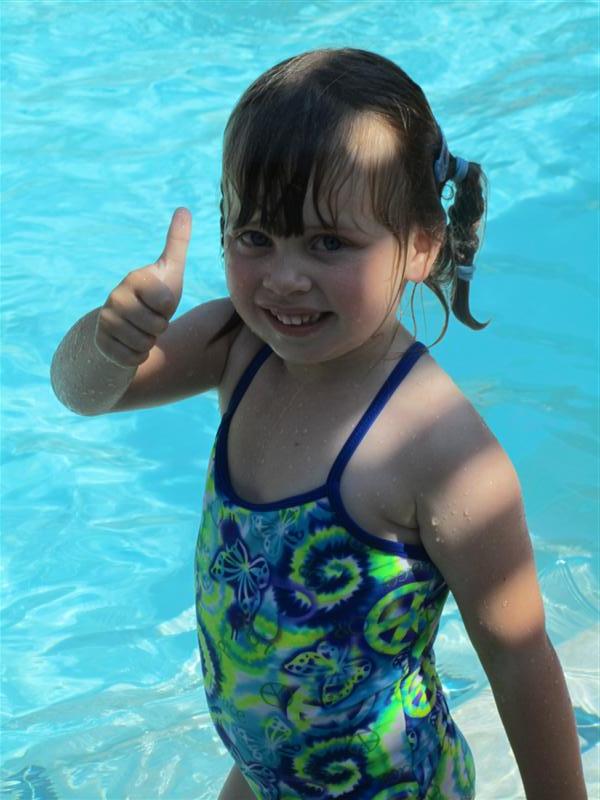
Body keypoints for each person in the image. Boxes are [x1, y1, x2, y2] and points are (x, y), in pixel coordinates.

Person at [50, 48, 587, 800]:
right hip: (266, 776)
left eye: (329, 242)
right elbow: (85, 394)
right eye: (255, 236)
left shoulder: (442, 451)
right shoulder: (237, 346)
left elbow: (519, 657)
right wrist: (112, 339)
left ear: (421, 244)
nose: (284, 278)